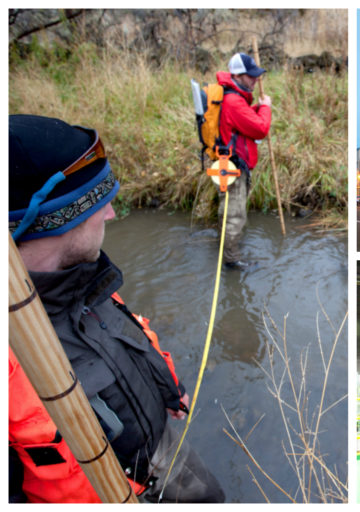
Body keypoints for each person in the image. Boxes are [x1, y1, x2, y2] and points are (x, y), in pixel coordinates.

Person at [7, 115, 223, 503]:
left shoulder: (83, 276)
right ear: (53, 221)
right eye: (99, 203)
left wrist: (167, 384)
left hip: (163, 449)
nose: (111, 215)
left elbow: (127, 334)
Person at [216, 52, 273, 269]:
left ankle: (227, 245)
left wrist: (257, 109)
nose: (256, 79)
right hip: (233, 167)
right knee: (234, 214)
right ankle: (231, 259)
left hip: (229, 165)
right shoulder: (233, 101)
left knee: (230, 209)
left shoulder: (235, 97)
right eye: (251, 76)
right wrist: (266, 107)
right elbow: (260, 129)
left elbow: (244, 122)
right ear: (238, 76)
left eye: (257, 75)